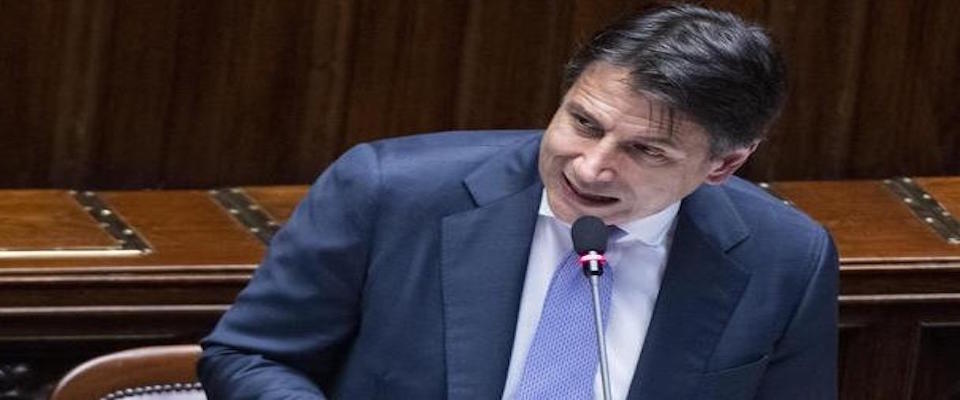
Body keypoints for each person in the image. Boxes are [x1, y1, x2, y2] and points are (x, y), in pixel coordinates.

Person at [198, 4, 838, 399]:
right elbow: (249, 356)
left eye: (646, 152)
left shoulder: (785, 259)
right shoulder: (390, 191)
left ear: (725, 163)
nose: (590, 166)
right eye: (583, 123)